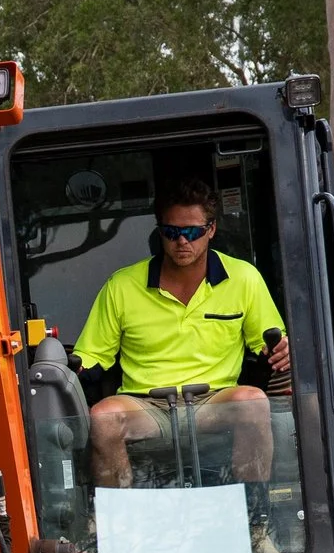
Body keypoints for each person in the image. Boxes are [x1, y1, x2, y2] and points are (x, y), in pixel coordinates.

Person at [75, 171, 292, 489]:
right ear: (160, 232)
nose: (182, 241)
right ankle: (118, 521)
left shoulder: (244, 278)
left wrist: (279, 350)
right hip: (146, 404)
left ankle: (255, 523)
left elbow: (269, 341)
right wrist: (70, 367)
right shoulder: (122, 286)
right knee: (103, 418)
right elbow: (91, 355)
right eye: (171, 231)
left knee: (253, 402)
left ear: (211, 229)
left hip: (212, 401)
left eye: (192, 231)